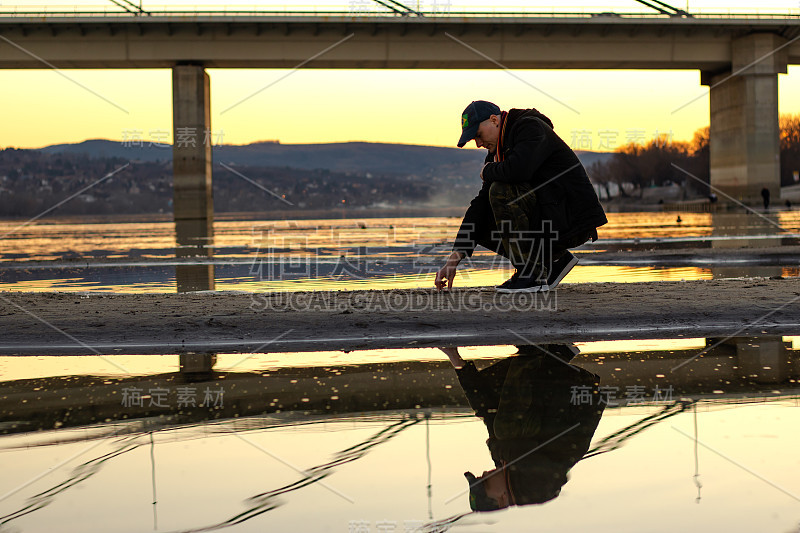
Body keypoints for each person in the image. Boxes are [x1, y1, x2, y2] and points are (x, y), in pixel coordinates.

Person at [435, 101, 607, 293]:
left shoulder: (530, 128)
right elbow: (480, 206)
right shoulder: (497, 153)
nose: (478, 144)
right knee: (483, 214)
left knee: (500, 191)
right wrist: (455, 256)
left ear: (494, 120)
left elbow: (519, 170)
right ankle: (554, 260)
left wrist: (488, 171)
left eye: (478, 135)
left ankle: (532, 273)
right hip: (549, 216)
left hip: (570, 219)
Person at [439, 345, 605, 511]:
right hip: (579, 395)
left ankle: (555, 354)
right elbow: (527, 453)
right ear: (502, 499)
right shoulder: (538, 490)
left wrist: (456, 360)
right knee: (506, 430)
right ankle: (538, 354)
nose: (483, 474)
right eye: (485, 483)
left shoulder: (503, 462)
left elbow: (485, 411)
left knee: (489, 397)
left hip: (557, 391)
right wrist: (497, 449)